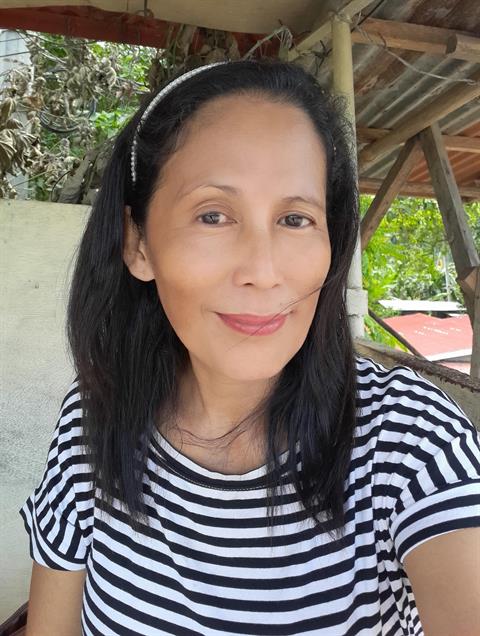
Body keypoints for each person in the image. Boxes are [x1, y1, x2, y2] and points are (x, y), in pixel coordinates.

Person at [19, 58, 480, 636]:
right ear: (138, 244)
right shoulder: (95, 422)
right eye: (213, 215)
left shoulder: (408, 439)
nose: (263, 272)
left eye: (295, 218)